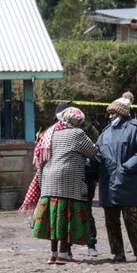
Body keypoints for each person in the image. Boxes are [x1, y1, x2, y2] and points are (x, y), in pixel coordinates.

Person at [90, 93, 137, 263]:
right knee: (111, 220)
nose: (110, 116)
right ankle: (118, 253)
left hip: (129, 182)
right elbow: (98, 154)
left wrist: (126, 167)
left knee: (131, 219)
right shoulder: (105, 132)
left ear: (122, 113)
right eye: (109, 114)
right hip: (108, 183)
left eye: (113, 113)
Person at [31, 107, 98, 264]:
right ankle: (63, 255)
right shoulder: (77, 133)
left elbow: (41, 158)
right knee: (67, 217)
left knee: (53, 218)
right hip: (68, 181)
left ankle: (53, 254)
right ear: (78, 121)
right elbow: (92, 151)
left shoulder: (50, 133)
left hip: (48, 180)